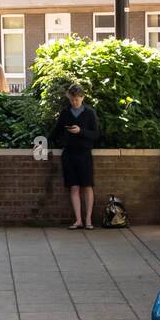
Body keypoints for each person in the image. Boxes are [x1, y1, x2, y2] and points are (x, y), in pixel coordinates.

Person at [52, 83, 99, 229]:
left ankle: (88, 220)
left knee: (87, 186)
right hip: (69, 154)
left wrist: (80, 131)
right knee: (74, 187)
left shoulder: (90, 113)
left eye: (76, 100)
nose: (74, 103)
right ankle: (78, 220)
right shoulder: (65, 113)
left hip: (84, 154)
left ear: (82, 97)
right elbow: (56, 131)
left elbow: (96, 135)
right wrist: (42, 143)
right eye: (72, 100)